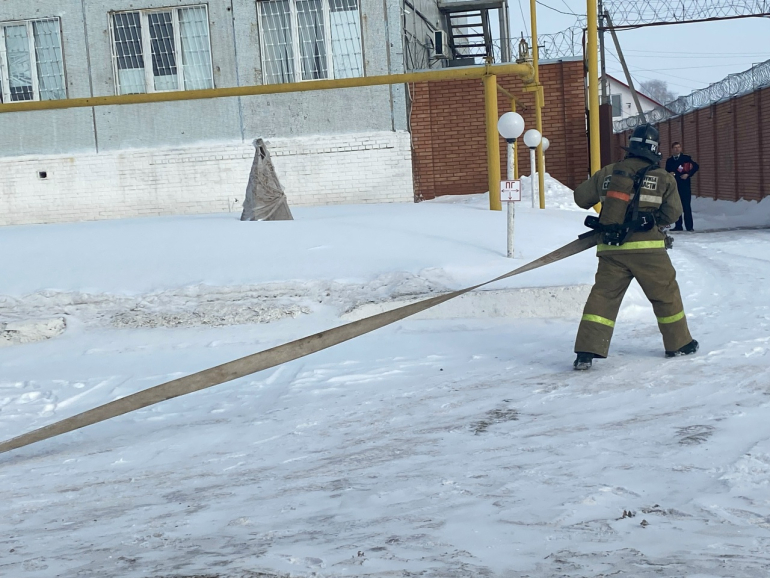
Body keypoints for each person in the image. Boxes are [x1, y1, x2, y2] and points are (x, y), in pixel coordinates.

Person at [572, 124, 698, 370]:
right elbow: (673, 213)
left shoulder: (608, 172)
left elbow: (580, 198)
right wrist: (652, 220)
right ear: (654, 149)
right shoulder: (663, 177)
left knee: (603, 297)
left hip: (611, 249)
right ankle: (679, 345)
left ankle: (586, 352)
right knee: (665, 295)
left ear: (630, 147)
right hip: (648, 249)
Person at [665, 142, 699, 231]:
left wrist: (688, 174)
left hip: (685, 186)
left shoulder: (686, 158)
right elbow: (666, 172)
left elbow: (696, 166)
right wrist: (669, 174)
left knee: (686, 206)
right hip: (674, 186)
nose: (677, 149)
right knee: (676, 206)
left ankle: (689, 227)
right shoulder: (669, 161)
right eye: (675, 147)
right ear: (672, 149)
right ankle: (678, 226)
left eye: (678, 147)